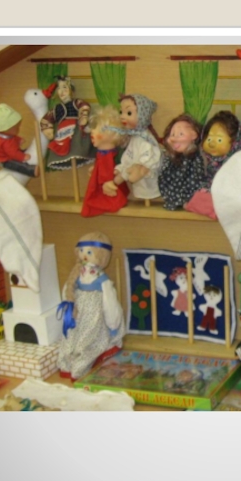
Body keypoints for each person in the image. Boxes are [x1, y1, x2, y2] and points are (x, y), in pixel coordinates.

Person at [56, 232, 125, 380]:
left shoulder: (100, 279)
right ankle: (75, 366)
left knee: (83, 338)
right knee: (80, 338)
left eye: (89, 252)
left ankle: (72, 366)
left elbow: (109, 303)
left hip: (89, 315)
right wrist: (113, 325)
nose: (84, 255)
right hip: (82, 314)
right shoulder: (81, 274)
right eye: (82, 251)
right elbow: (110, 304)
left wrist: (112, 323)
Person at [184, 110, 241, 219]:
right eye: (209, 138)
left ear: (236, 142)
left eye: (219, 139)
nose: (212, 144)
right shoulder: (206, 162)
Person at [104, 94, 162, 201]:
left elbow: (149, 157)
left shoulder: (145, 138)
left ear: (142, 115)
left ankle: (119, 179)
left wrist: (139, 167)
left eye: (129, 113)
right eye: (121, 112)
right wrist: (122, 166)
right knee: (127, 173)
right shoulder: (135, 136)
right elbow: (129, 155)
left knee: (131, 174)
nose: (122, 116)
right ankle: (120, 176)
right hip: (138, 178)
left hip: (145, 176)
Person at [81, 105, 129, 217]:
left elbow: (107, 171)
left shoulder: (106, 155)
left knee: (101, 198)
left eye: (96, 129)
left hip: (105, 185)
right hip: (103, 182)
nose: (92, 132)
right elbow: (103, 167)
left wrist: (107, 182)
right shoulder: (103, 154)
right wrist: (95, 169)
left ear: (110, 135)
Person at [39, 76, 94, 171]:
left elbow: (84, 105)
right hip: (62, 134)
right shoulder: (56, 108)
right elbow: (47, 118)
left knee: (76, 147)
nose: (62, 91)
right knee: (61, 148)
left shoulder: (75, 103)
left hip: (75, 132)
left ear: (71, 90)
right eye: (59, 88)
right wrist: (47, 129)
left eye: (64, 87)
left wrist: (83, 115)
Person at [159, 114, 208, 211]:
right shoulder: (171, 158)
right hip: (174, 194)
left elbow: (197, 178)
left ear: (194, 135)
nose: (174, 138)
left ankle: (190, 201)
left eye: (181, 134)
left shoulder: (195, 158)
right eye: (172, 135)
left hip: (191, 195)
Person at [0, 103, 39, 177]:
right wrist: (23, 157)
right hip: (1, 159)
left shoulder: (6, 135)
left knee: (18, 151)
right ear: (6, 129)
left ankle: (22, 153)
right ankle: (31, 170)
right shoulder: (5, 143)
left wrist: (19, 140)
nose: (18, 129)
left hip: (6, 151)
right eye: (16, 128)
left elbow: (12, 137)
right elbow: (13, 153)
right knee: (14, 165)